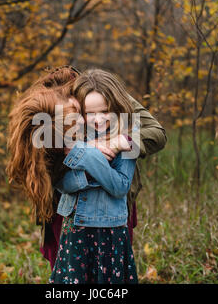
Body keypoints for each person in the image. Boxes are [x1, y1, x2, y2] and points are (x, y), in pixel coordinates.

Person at [49, 69, 139, 284]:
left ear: (115, 107)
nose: (97, 119)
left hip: (110, 230)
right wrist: (93, 159)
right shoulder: (74, 134)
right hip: (75, 226)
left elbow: (120, 186)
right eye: (90, 113)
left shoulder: (127, 135)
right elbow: (62, 184)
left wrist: (86, 161)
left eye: (104, 111)